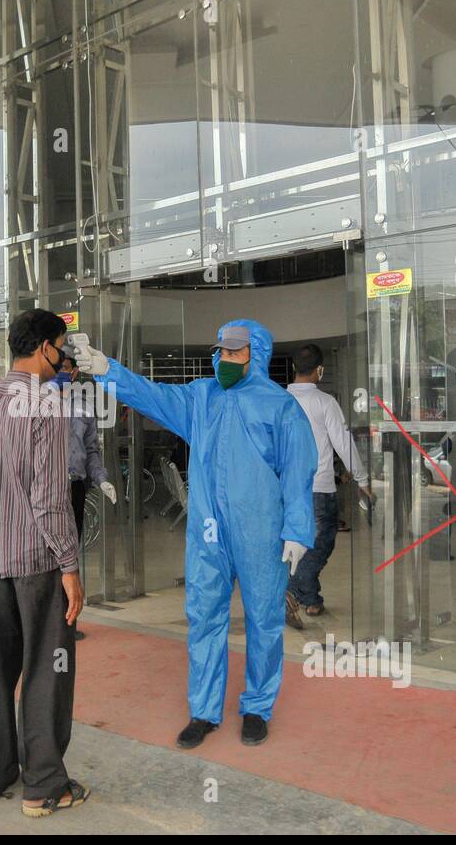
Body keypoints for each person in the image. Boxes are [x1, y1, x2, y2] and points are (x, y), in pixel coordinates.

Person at [75, 320, 317, 749]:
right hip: (209, 532)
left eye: (236, 352)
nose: (227, 359)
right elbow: (152, 395)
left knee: (264, 619)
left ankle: (257, 706)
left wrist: (297, 529)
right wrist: (106, 369)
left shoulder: (279, 407)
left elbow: (299, 470)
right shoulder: (200, 398)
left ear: (255, 355)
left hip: (261, 532)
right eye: (222, 351)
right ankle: (204, 711)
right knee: (205, 616)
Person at [0, 308, 89, 817]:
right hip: (38, 560)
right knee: (46, 669)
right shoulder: (44, 405)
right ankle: (44, 786)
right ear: (42, 348)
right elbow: (50, 496)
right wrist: (71, 565)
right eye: (61, 346)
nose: (64, 357)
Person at [285, 344, 372, 626]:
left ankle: (311, 600)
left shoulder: (280, 400)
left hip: (287, 488)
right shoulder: (324, 402)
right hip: (319, 487)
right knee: (323, 541)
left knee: (297, 543)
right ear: (319, 370)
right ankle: (292, 589)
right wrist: (362, 478)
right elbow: (343, 442)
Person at [54, 347, 118, 641]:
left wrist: (102, 479)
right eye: (57, 367)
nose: (62, 372)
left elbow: (91, 450)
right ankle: (47, 624)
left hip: (75, 486)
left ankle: (67, 621)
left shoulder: (84, 405)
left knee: (71, 553)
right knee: (49, 555)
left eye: (66, 367)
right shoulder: (36, 402)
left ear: (75, 372)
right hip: (48, 488)